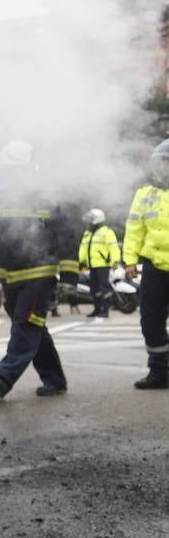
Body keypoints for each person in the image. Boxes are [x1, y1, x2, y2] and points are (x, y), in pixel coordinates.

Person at [0, 140, 77, 400]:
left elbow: (64, 236)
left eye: (15, 170)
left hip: (39, 276)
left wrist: (69, 276)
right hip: (9, 278)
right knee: (34, 328)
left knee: (25, 327)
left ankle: (3, 378)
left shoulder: (48, 198)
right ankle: (54, 379)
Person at [122, 138, 169, 389]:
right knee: (150, 322)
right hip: (154, 266)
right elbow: (134, 228)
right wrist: (130, 260)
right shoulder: (145, 193)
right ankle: (159, 371)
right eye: (162, 161)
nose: (165, 166)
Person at [79, 208, 121, 319]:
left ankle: (105, 310)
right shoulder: (87, 233)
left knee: (104, 288)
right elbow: (83, 248)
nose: (88, 221)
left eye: (90, 219)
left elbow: (113, 247)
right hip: (91, 265)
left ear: (97, 219)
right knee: (94, 289)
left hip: (103, 265)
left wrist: (115, 261)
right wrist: (82, 261)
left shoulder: (106, 232)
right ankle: (97, 309)